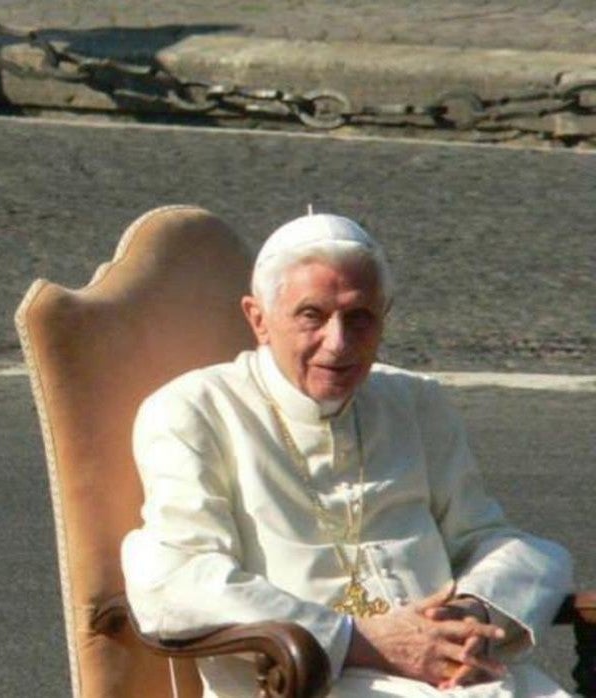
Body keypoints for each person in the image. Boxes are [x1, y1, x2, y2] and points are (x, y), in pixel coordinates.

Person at [121, 213, 573, 697]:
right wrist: (356, 638)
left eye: (359, 317)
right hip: (306, 678)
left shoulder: (415, 402)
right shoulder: (195, 410)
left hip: (458, 673)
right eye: (312, 315)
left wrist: (472, 613)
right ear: (258, 319)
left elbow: (487, 537)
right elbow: (176, 578)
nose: (338, 344)